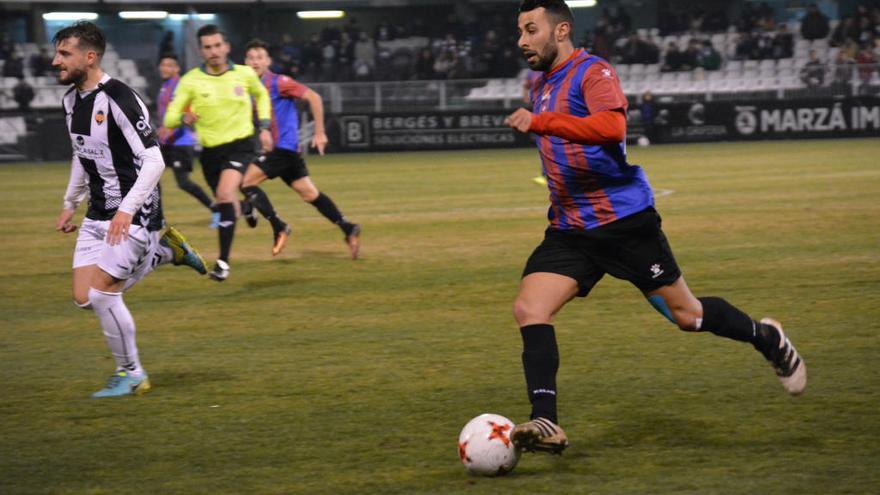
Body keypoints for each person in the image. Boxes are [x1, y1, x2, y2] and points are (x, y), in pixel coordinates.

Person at [504, 0, 806, 455]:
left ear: (561, 30)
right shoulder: (542, 83)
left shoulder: (593, 72)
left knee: (688, 316)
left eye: (531, 29)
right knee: (530, 308)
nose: (523, 40)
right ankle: (546, 420)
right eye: (520, 31)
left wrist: (541, 123)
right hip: (570, 228)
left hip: (624, 224)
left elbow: (610, 126)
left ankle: (766, 337)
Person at [52, 21, 207, 397]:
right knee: (85, 298)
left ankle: (132, 373)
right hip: (97, 211)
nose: (55, 61)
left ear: (90, 57)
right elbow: (82, 153)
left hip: (135, 212)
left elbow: (154, 161)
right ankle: (167, 252)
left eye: (64, 54)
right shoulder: (71, 100)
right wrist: (69, 203)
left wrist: (126, 209)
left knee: (105, 294)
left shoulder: (119, 98)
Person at [163, 24, 275, 281]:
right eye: (207, 47)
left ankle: (223, 262)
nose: (213, 51)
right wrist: (183, 116)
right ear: (201, 51)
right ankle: (247, 206)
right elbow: (169, 118)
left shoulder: (245, 74)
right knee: (228, 203)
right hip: (211, 153)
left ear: (226, 47)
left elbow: (262, 95)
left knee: (225, 194)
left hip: (242, 145)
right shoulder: (191, 80)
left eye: (217, 45)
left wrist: (266, 127)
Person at [243, 39, 361, 259]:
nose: (255, 61)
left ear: (268, 61)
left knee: (247, 183)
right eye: (251, 57)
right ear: (245, 62)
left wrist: (319, 132)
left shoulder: (279, 82)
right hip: (286, 153)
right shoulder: (248, 89)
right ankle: (348, 227)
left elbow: (313, 97)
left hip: (282, 149)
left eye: (260, 57)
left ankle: (278, 226)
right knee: (310, 194)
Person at [155, 53, 214, 217]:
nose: (164, 68)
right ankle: (158, 218)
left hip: (181, 142)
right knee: (151, 177)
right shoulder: (165, 86)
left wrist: (171, 128)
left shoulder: (180, 86)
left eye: (169, 65)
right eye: (163, 64)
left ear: (176, 68)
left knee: (184, 183)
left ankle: (215, 209)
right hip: (166, 143)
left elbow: (189, 113)